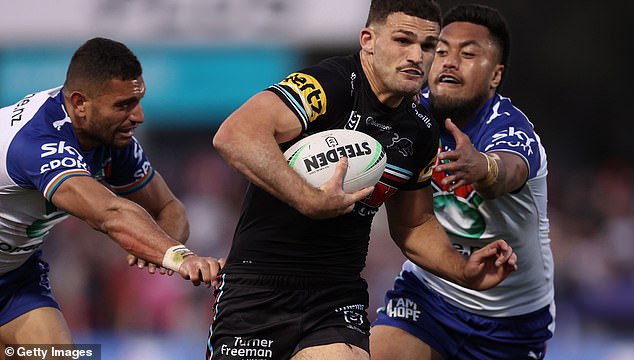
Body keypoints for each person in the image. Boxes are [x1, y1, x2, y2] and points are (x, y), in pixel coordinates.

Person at [208, 1, 518, 359]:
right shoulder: (330, 85)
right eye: (403, 40)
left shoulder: (420, 128)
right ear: (368, 40)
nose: (416, 56)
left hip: (335, 295)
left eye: (428, 46)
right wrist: (308, 199)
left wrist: (463, 270)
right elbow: (235, 134)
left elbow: (414, 225)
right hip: (258, 287)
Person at [0, 37, 223, 349]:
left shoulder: (110, 139)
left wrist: (157, 246)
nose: (138, 116)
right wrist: (179, 257)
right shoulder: (36, 141)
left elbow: (170, 209)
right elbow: (110, 214)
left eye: (138, 100)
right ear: (79, 103)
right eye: (123, 105)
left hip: (14, 277)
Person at [370, 4, 555, 360]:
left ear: (495, 75)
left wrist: (483, 168)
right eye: (440, 51)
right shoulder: (409, 115)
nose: (449, 61)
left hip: (511, 321)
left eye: (468, 54)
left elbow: (509, 170)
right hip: (430, 295)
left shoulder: (512, 129)